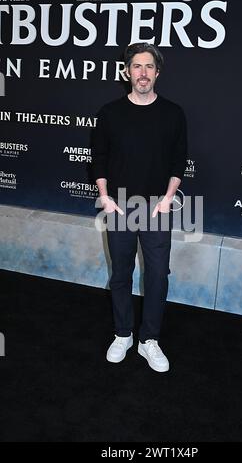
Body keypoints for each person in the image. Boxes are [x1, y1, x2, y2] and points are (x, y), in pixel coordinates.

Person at [91, 42, 188, 372]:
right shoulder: (110, 112)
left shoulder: (173, 113)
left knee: (158, 275)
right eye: (137, 66)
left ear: (157, 73)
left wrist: (167, 198)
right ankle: (123, 334)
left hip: (157, 208)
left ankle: (149, 340)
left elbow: (179, 160)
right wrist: (105, 197)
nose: (143, 72)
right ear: (127, 71)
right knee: (121, 274)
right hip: (119, 206)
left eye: (149, 67)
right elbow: (99, 158)